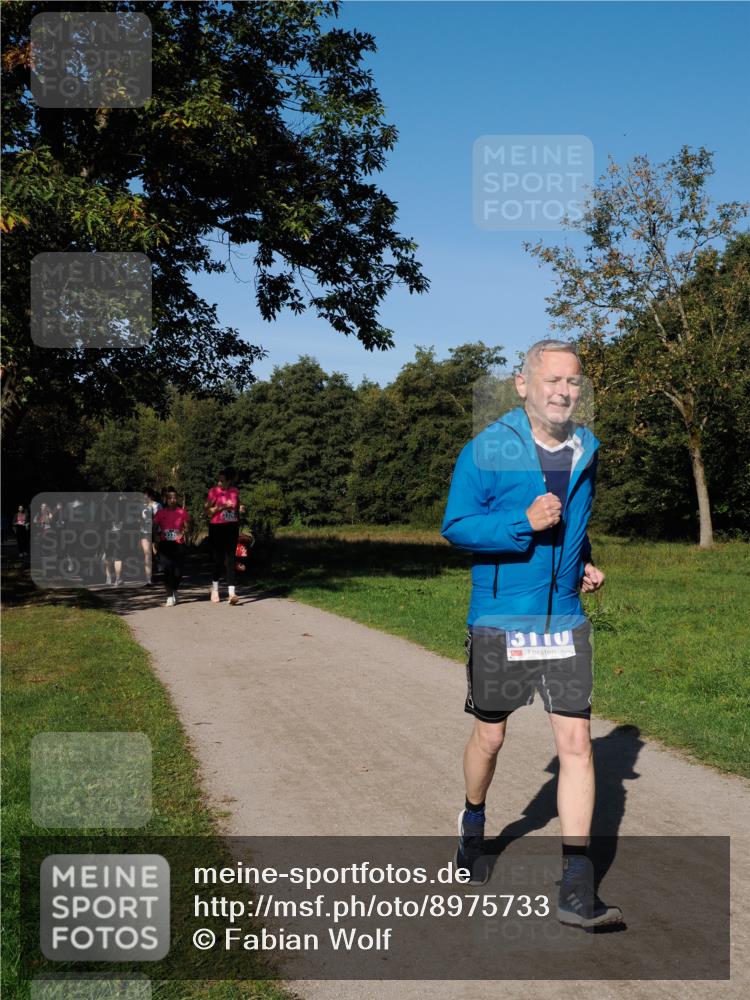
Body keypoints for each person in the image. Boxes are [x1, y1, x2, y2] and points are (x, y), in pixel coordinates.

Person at [441, 339, 622, 930]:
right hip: (502, 620)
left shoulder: (584, 449)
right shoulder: (486, 449)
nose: (564, 391)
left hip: (564, 619)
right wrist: (521, 523)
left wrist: (582, 561)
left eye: (573, 381)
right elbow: (457, 526)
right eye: (551, 380)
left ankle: (576, 884)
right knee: (489, 741)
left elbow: (575, 523)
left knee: (577, 746)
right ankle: (473, 821)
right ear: (523, 385)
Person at [204, 468, 242, 605]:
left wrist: (240, 509)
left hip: (231, 527)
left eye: (222, 480)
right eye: (218, 480)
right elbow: (207, 511)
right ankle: (215, 588)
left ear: (229, 481)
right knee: (218, 559)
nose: (219, 482)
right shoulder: (213, 491)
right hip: (217, 527)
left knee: (231, 558)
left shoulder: (234, 491)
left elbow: (237, 508)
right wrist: (221, 507)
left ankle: (232, 593)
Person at [153, 487, 189, 606]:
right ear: (166, 500)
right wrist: (156, 537)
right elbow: (154, 526)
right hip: (165, 544)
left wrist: (183, 533)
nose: (173, 500)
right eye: (170, 498)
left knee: (178, 572)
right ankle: (169, 597)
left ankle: (174, 590)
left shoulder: (182, 512)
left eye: (174, 498)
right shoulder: (160, 512)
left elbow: (188, 527)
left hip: (178, 544)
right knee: (167, 570)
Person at [140, 488, 161, 585]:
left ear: (151, 496)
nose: (144, 497)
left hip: (156, 532)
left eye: (146, 495)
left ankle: (156, 570)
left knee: (155, 553)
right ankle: (148, 578)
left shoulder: (157, 505)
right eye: (144, 495)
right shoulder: (141, 506)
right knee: (147, 554)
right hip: (145, 532)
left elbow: (161, 519)